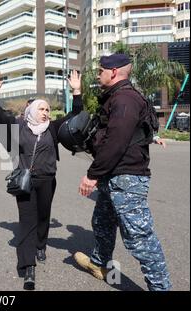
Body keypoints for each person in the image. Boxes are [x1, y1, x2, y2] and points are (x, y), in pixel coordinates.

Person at [75, 53, 171, 291]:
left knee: (140, 238)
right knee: (102, 222)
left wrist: (92, 174)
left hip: (125, 178)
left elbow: (115, 142)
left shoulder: (125, 99)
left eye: (101, 71)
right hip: (114, 175)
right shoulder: (120, 97)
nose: (98, 75)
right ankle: (100, 264)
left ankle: (161, 288)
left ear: (114, 72)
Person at [0, 70, 83, 290]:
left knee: (43, 216)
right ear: (31, 110)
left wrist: (77, 92)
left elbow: (75, 116)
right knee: (27, 221)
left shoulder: (52, 128)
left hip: (48, 180)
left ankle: (41, 245)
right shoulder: (18, 127)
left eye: (48, 109)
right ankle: (28, 266)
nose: (45, 112)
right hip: (25, 181)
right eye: (41, 108)